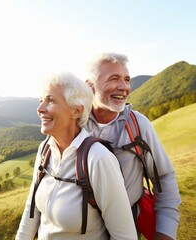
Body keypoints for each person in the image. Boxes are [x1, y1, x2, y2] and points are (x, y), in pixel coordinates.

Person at [15, 72, 137, 240]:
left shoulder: (98, 158)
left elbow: (125, 236)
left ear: (76, 111)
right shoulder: (45, 149)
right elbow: (31, 211)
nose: (40, 109)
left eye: (50, 100)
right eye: (40, 100)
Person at [85, 53, 181, 240]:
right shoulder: (74, 124)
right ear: (90, 86)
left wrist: (165, 232)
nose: (124, 87)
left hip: (127, 231)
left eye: (127, 80)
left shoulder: (139, 125)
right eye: (114, 79)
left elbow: (164, 177)